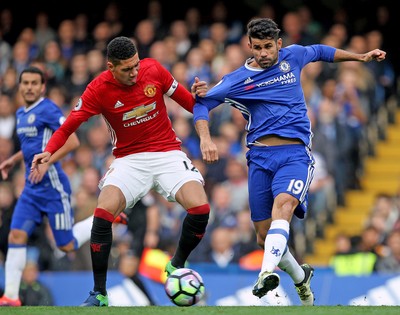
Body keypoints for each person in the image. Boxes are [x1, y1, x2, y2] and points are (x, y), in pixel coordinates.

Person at [192, 17, 386, 306]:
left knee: (283, 207)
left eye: (268, 46)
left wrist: (359, 57)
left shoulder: (292, 57)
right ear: (249, 46)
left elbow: (321, 51)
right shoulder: (236, 80)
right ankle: (300, 278)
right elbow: (201, 105)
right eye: (257, 47)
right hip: (258, 158)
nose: (263, 53)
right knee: (263, 236)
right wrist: (206, 138)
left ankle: (265, 273)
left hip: (295, 156)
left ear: (279, 44)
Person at [31, 36, 211, 307]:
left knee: (200, 209)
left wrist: (204, 116)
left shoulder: (154, 70)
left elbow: (192, 103)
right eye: (126, 69)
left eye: (136, 65)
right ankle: (99, 293)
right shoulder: (98, 89)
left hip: (167, 153)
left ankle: (175, 264)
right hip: (129, 159)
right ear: (110, 67)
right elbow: (69, 125)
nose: (134, 72)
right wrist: (49, 150)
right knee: (102, 215)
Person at [0, 66, 91, 307]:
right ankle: (11, 295)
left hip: (52, 188)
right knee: (16, 234)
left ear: (42, 87)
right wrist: (15, 159)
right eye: (25, 83)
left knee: (66, 245)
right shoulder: (21, 113)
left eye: (34, 83)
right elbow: (32, 145)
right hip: (31, 188)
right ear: (20, 86)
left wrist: (46, 162)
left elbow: (72, 141)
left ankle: (103, 220)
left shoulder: (49, 109)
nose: (29, 87)